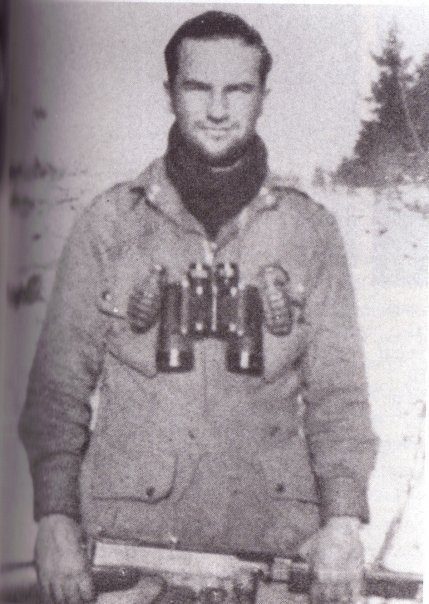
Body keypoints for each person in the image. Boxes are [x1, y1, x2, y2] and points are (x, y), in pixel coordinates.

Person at [19, 10, 378, 604]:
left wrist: (342, 520)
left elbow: (339, 397)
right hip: (129, 555)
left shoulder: (310, 234)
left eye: (237, 89)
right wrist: (55, 518)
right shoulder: (109, 227)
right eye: (198, 87)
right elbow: (58, 393)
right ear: (170, 94)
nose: (217, 109)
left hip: (272, 554)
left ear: (263, 95)